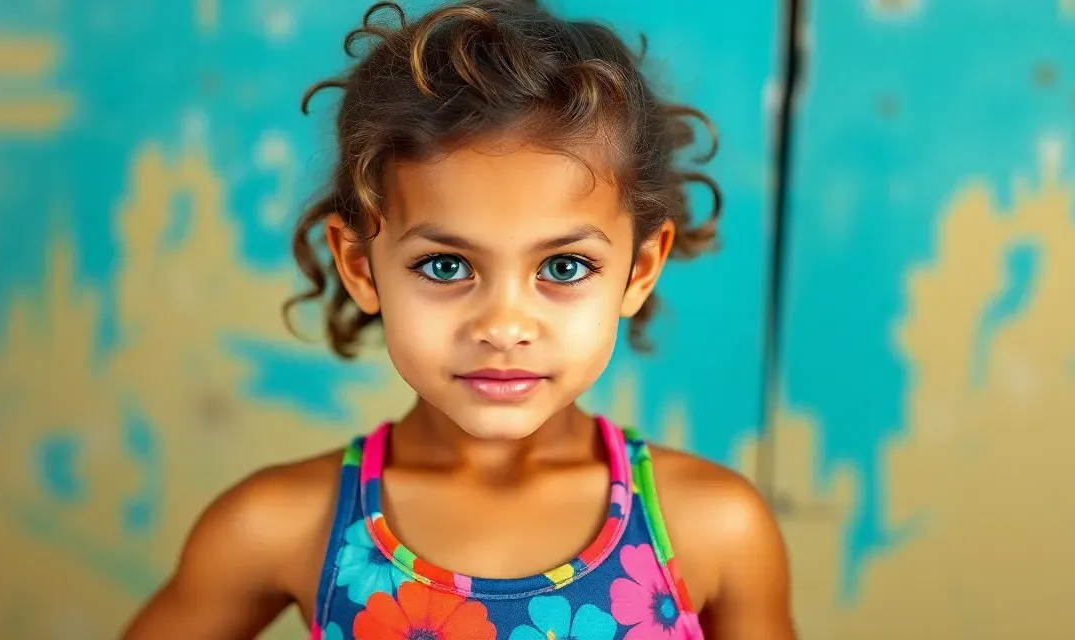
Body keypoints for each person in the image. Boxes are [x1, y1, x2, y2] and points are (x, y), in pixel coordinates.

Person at [123, 0, 795, 637]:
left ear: (639, 271)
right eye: (446, 266)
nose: (503, 327)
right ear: (360, 267)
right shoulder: (278, 526)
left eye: (563, 268)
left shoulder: (713, 528)